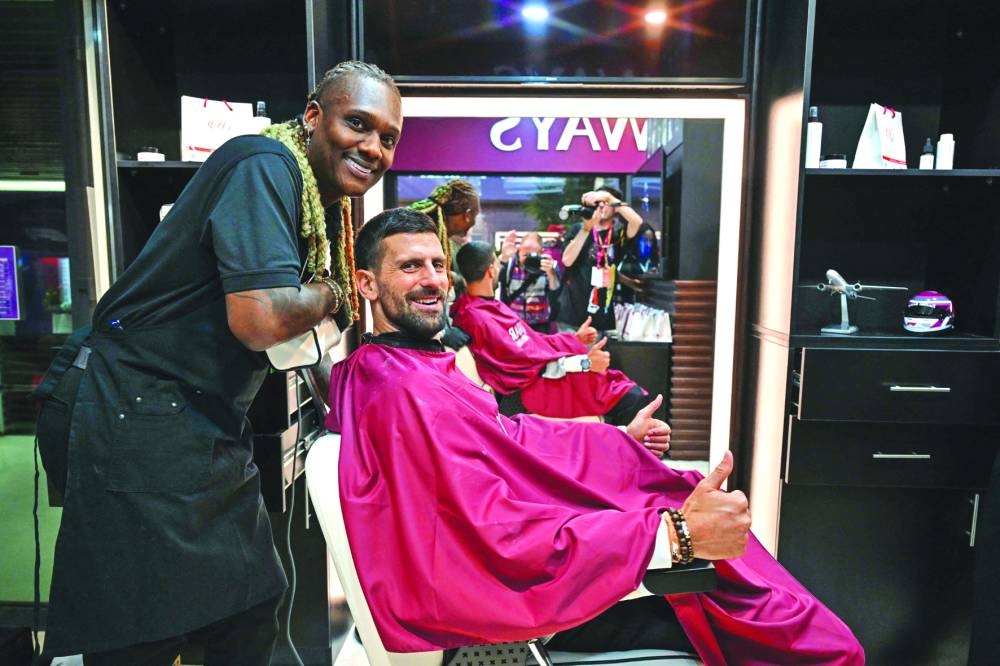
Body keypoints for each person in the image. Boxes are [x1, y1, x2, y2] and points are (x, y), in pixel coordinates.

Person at [323, 207, 864, 665]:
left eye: (438, 265)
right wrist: (669, 536)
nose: (432, 279)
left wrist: (616, 443)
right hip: (516, 608)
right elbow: (490, 531)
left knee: (688, 511)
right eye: (410, 266)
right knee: (782, 625)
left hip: (535, 567)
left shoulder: (399, 369)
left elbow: (509, 438)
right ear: (367, 283)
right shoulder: (400, 393)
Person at [41, 61, 402, 665]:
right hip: (134, 409)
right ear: (313, 116)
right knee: (143, 631)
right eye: (358, 124)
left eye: (388, 137)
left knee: (252, 605)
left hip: (193, 415)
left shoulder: (314, 202)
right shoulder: (263, 164)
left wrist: (351, 412)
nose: (373, 147)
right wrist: (334, 294)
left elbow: (298, 339)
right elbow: (261, 318)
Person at [451, 240, 651, 429]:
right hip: (535, 387)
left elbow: (534, 341)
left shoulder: (490, 307)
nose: (501, 268)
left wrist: (575, 339)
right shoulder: (477, 318)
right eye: (498, 264)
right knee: (630, 398)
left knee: (624, 388)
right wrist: (584, 364)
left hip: (547, 374)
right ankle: (625, 456)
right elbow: (524, 365)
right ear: (491, 270)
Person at [557, 185, 645, 333]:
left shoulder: (619, 233)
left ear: (616, 208)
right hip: (572, 313)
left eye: (606, 203)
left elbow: (637, 221)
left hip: (601, 316)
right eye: (598, 203)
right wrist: (587, 229)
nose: (602, 206)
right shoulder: (579, 229)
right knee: (570, 356)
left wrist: (610, 198)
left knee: (597, 356)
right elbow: (567, 260)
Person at [406, 177, 481, 272]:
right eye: (475, 216)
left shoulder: (420, 229)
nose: (473, 224)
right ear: (468, 215)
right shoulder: (427, 238)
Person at [497, 231, 561, 333]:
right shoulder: (510, 264)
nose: (529, 259)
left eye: (533, 255)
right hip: (514, 323)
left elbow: (556, 293)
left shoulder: (550, 266)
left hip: (540, 325)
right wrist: (503, 257)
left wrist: (550, 273)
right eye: (525, 255)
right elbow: (494, 282)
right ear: (519, 250)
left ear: (541, 251)